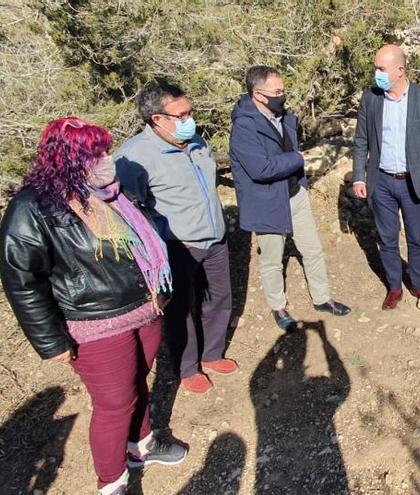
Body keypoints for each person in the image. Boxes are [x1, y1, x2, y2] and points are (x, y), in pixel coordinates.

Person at [0, 117, 187, 495]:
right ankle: (112, 482)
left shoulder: (112, 193)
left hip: (143, 309)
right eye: (95, 153)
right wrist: (51, 342)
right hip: (94, 324)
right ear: (68, 158)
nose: (106, 159)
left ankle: (142, 446)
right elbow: (22, 279)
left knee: (138, 383)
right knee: (115, 405)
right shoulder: (34, 207)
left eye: (105, 150)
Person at [116, 82, 236, 394]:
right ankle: (187, 367)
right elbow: (129, 211)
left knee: (220, 298)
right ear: (157, 119)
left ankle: (212, 354)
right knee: (181, 308)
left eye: (189, 113)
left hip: (215, 238)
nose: (189, 120)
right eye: (180, 115)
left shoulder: (195, 141)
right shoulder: (134, 158)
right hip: (177, 245)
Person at [229, 65, 351, 331]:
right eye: (277, 91)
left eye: (283, 89)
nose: (282, 95)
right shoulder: (244, 128)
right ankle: (279, 307)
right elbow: (260, 168)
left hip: (294, 193)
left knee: (312, 249)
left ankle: (322, 299)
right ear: (258, 95)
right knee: (272, 258)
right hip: (267, 200)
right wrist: (298, 159)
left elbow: (288, 148)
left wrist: (301, 182)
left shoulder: (284, 116)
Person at [352, 44, 420, 309]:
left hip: (412, 181)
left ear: (399, 70)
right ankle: (394, 287)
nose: (376, 74)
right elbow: (361, 140)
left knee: (416, 237)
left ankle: (418, 285)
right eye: (375, 68)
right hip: (381, 180)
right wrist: (358, 176)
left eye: (381, 69)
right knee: (387, 237)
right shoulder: (371, 98)